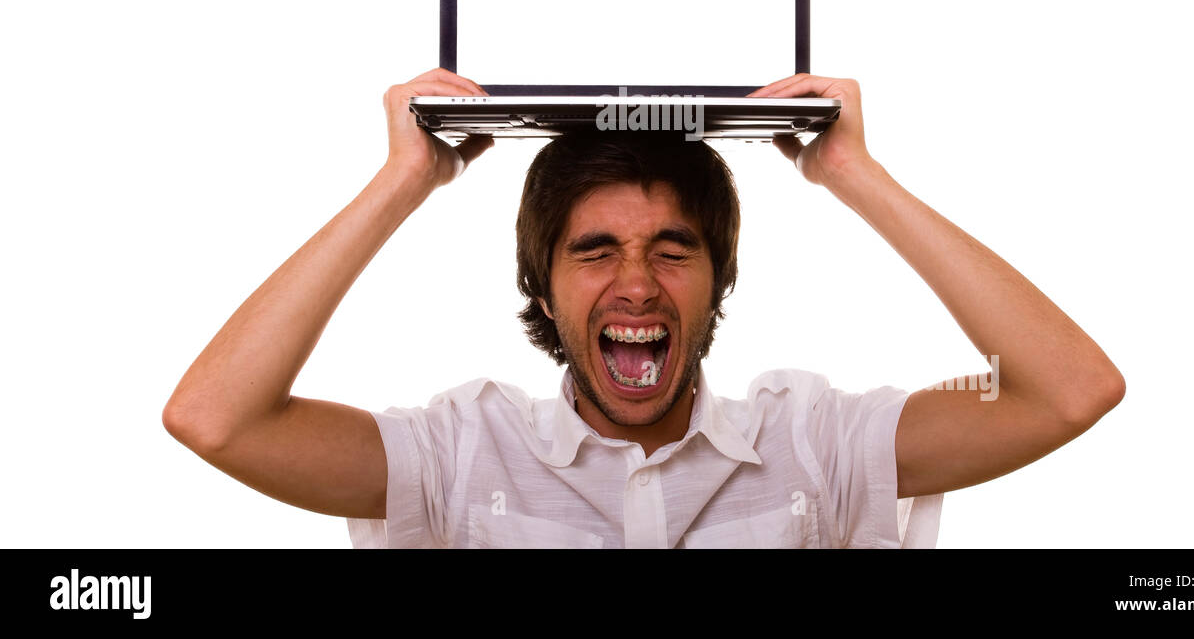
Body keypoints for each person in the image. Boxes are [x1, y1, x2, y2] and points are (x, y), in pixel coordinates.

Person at [163, 67, 1124, 548]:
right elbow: (216, 420)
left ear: (720, 277)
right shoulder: (460, 454)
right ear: (542, 285)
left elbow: (1067, 391)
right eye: (594, 252)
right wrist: (404, 181)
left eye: (674, 249)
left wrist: (850, 172)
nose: (636, 283)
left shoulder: (817, 445)